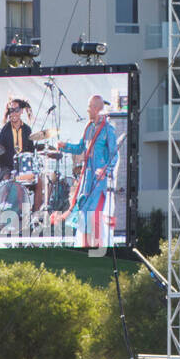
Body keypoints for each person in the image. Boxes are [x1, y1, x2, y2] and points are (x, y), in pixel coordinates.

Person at [51, 94, 119, 251]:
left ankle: (96, 252)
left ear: (96, 108)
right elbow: (80, 148)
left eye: (89, 107)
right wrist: (64, 146)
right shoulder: (88, 127)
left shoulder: (108, 129)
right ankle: (86, 249)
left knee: (94, 218)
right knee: (85, 218)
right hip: (86, 180)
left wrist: (105, 169)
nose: (87, 110)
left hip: (99, 182)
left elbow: (114, 154)